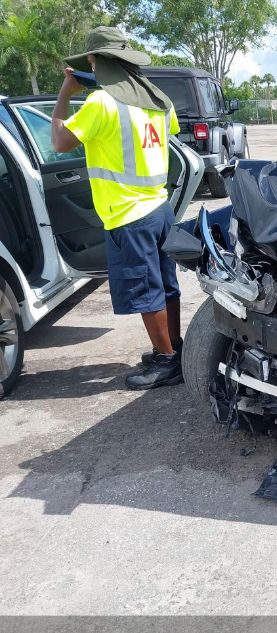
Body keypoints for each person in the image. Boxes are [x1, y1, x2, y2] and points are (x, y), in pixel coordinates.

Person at [51, 27, 183, 390]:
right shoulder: (159, 101)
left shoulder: (100, 103)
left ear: (95, 62)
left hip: (128, 214)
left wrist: (66, 92)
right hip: (160, 207)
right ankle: (174, 348)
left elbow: (60, 142)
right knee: (166, 286)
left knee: (146, 291)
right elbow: (163, 137)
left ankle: (167, 362)